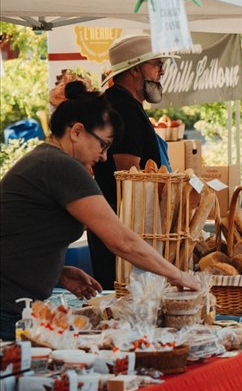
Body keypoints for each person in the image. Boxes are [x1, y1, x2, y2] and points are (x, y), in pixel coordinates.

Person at [0, 81, 200, 340]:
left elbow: (22, 233)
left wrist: (57, 271)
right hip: (6, 309)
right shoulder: (62, 166)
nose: (104, 156)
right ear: (77, 132)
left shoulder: (47, 160)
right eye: (103, 145)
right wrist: (178, 276)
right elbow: (122, 241)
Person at [92, 35, 176, 290]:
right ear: (137, 69)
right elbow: (131, 178)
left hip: (122, 227)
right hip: (125, 228)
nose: (161, 71)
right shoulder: (122, 108)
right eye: (156, 64)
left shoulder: (123, 103)